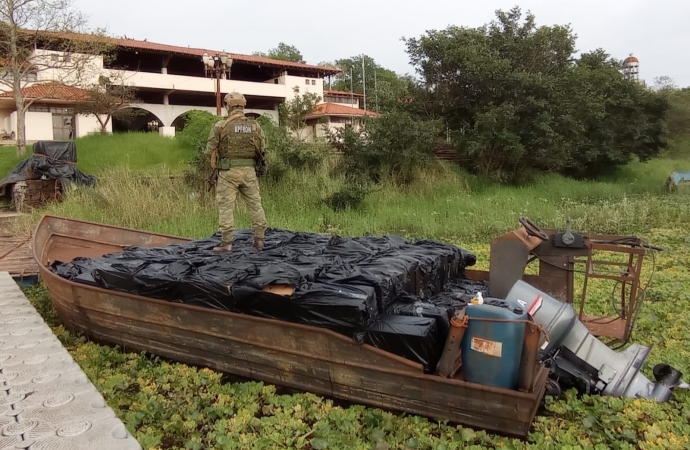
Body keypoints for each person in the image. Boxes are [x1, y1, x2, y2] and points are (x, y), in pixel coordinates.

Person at [205, 91, 267, 253]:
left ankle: (227, 243)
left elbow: (209, 150)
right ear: (243, 106)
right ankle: (259, 240)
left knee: (226, 207)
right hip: (249, 172)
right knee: (255, 205)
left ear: (228, 106)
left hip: (228, 172)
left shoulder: (221, 126)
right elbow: (263, 148)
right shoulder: (255, 126)